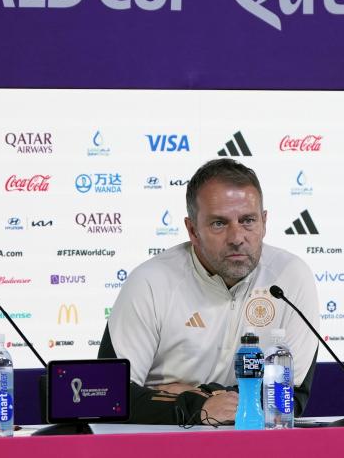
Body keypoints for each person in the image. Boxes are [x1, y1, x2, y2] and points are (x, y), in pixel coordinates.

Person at [98, 158, 320, 425]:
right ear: (192, 230)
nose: (237, 237)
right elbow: (109, 397)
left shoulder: (291, 277)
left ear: (264, 222)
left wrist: (196, 397)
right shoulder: (149, 282)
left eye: (248, 221)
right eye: (219, 223)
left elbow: (290, 398)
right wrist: (200, 407)